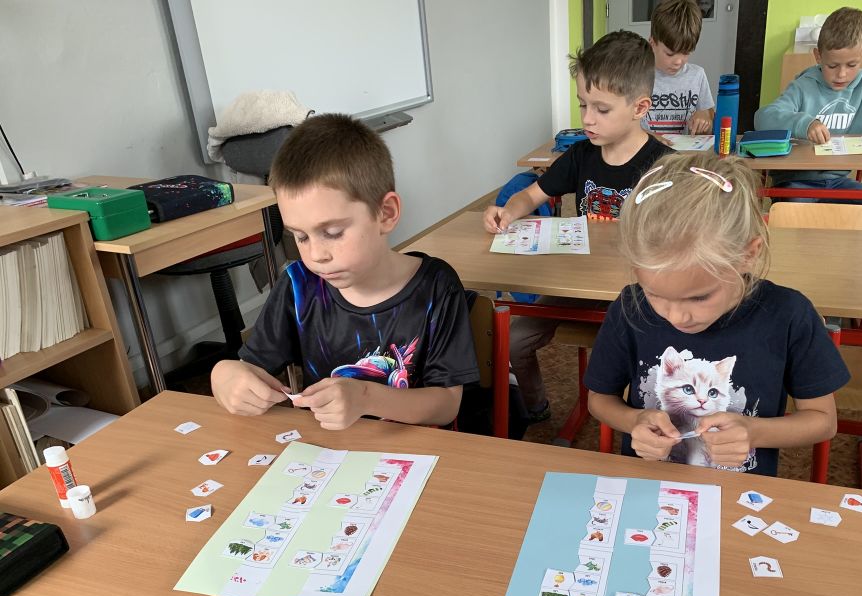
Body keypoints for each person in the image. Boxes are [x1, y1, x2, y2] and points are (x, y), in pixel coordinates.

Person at [584, 153, 850, 475]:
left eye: (699, 297)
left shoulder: (789, 315)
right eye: (655, 294)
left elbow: (823, 421)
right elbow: (600, 399)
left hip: (739, 491)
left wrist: (753, 431)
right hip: (651, 484)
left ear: (748, 255)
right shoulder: (630, 307)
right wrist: (634, 420)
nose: (677, 317)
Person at [211, 114, 478, 429]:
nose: (316, 255)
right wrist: (224, 376)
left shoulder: (436, 286)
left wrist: (364, 397)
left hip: (416, 452)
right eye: (300, 237)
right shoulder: (299, 285)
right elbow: (249, 369)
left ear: (386, 214)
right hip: (326, 452)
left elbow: (446, 405)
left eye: (333, 233)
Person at [482, 30, 673, 422]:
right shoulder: (581, 155)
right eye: (583, 104)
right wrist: (508, 211)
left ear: (639, 107)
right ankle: (536, 408)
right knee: (515, 340)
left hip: (640, 293)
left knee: (625, 359)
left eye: (601, 109)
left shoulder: (664, 166)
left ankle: (627, 423)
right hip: (579, 285)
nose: (587, 118)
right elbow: (530, 195)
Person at [754, 6, 862, 202]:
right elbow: (763, 118)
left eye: (851, 65)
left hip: (839, 182)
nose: (841, 74)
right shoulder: (802, 86)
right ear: (818, 56)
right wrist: (805, 124)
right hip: (796, 182)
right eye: (832, 65)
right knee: (795, 212)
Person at [644, 0, 714, 137]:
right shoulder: (637, 76)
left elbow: (709, 120)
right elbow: (626, 127)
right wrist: (652, 139)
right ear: (652, 43)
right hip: (648, 149)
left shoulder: (697, 76)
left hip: (684, 149)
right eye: (670, 54)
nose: (678, 62)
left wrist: (704, 119)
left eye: (686, 53)